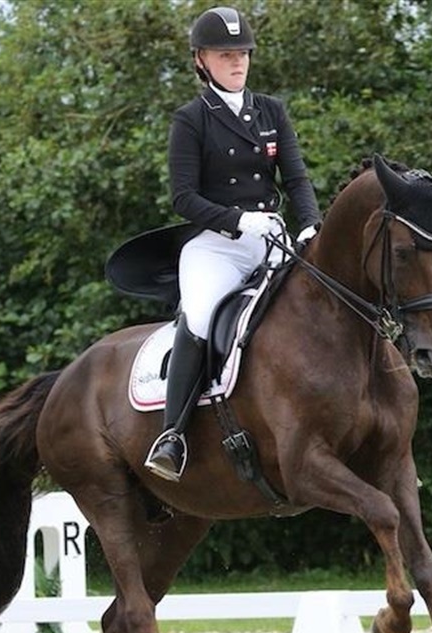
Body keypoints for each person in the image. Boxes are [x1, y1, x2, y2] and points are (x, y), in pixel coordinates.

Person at [144, 6, 321, 481]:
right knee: (200, 316)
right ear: (201, 60)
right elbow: (183, 197)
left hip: (272, 239)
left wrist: (310, 225)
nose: (237, 62)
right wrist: (238, 219)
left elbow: (296, 178)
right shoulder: (191, 119)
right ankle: (173, 436)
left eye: (242, 53)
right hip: (215, 245)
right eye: (225, 55)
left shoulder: (271, 111)